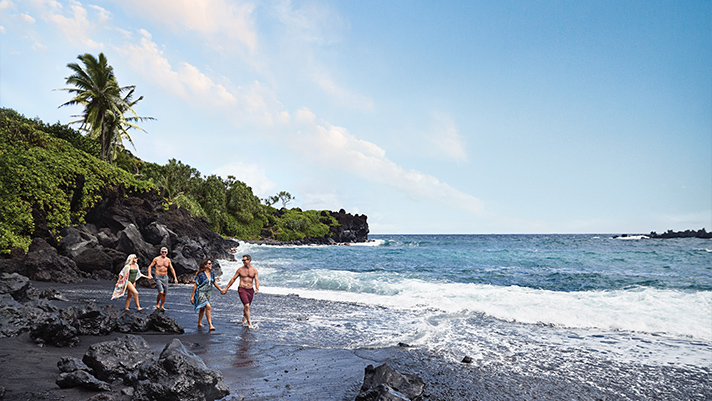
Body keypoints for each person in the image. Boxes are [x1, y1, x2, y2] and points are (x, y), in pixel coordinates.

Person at [222, 254, 259, 328]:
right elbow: (233, 279)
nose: (243, 261)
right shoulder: (240, 270)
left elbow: (256, 280)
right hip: (242, 289)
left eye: (244, 260)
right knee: (246, 305)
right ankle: (249, 323)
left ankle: (244, 317)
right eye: (242, 260)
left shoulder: (254, 270)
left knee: (247, 307)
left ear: (249, 260)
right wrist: (226, 288)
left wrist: (257, 288)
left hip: (250, 290)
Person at [190, 259, 224, 330]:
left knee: (202, 308)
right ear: (205, 265)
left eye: (210, 263)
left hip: (208, 293)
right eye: (209, 263)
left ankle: (199, 322)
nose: (210, 265)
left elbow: (214, 282)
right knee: (208, 306)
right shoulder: (200, 274)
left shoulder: (212, 274)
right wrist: (192, 296)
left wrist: (220, 290)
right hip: (201, 292)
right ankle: (210, 325)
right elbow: (196, 285)